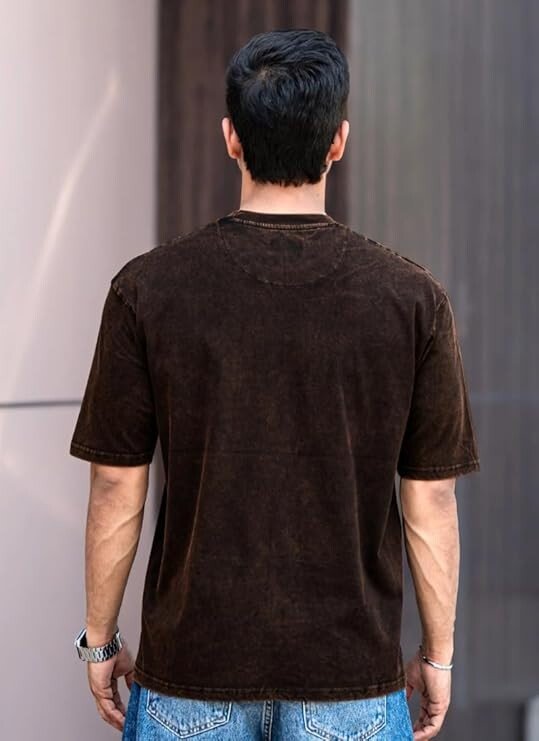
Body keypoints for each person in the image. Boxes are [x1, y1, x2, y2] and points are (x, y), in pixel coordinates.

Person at [69, 28, 480, 741]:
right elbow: (431, 499)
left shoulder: (147, 290)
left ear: (231, 137)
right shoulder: (413, 300)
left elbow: (115, 485)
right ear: (337, 142)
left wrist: (99, 640)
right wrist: (438, 654)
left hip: (188, 678)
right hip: (350, 683)